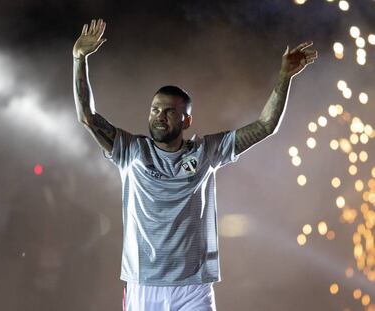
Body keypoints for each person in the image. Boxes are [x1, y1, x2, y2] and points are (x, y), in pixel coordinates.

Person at [72, 18, 317, 311]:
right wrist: (79, 59)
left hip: (193, 287)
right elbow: (87, 117)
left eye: (169, 111)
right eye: (155, 109)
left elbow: (265, 125)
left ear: (187, 120)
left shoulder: (205, 152)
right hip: (144, 285)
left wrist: (284, 78)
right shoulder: (131, 151)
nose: (160, 116)